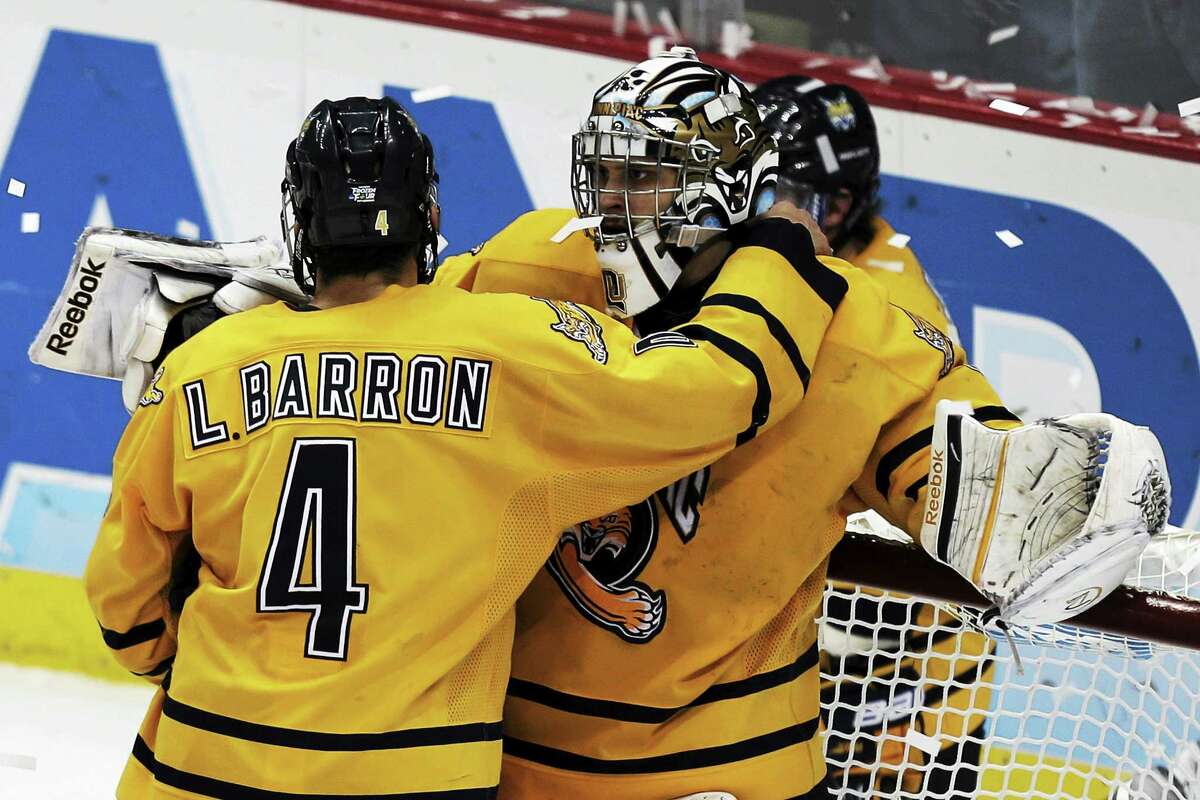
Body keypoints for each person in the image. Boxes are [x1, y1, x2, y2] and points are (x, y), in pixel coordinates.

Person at [430, 48, 1166, 799]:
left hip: (725, 777)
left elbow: (1016, 511)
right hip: (514, 758)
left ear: (721, 188)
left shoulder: (853, 334)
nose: (615, 204)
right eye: (606, 174)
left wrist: (1077, 488)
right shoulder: (526, 268)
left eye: (644, 176)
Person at [79, 94, 838, 799]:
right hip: (411, 781)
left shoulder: (206, 363)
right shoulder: (509, 343)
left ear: (299, 223)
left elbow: (124, 598)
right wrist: (774, 254)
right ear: (429, 216)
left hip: (198, 766)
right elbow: (719, 390)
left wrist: (200, 673)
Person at [752, 75, 997, 798]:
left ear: (842, 202)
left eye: (778, 188)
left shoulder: (884, 306)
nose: (754, 203)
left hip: (907, 674)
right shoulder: (826, 263)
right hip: (845, 644)